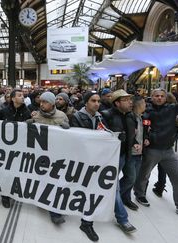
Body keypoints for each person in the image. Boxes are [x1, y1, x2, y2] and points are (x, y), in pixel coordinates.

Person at [134, 83, 178, 220]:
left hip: (168, 151)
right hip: (152, 150)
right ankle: (139, 194)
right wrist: (147, 138)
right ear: (152, 97)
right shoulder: (146, 110)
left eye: (162, 96)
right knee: (144, 175)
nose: (159, 98)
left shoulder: (172, 109)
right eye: (156, 96)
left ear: (165, 98)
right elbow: (139, 127)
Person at [70, 91, 107, 242]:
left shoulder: (101, 117)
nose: (97, 104)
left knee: (91, 191)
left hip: (95, 159)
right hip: (81, 159)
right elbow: (77, 139)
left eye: (98, 101)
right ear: (86, 102)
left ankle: (87, 223)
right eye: (93, 101)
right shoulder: (77, 117)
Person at [27, 91, 69, 225]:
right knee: (43, 181)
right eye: (41, 101)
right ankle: (43, 200)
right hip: (41, 156)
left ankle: (55, 212)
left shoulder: (62, 116)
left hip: (57, 156)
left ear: (52, 104)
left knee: (56, 183)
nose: (42, 104)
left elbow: (71, 136)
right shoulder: (36, 115)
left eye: (45, 102)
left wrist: (67, 128)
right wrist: (27, 123)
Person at [101, 89, 137, 234]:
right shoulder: (106, 115)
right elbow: (101, 136)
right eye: (126, 100)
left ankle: (111, 197)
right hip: (112, 158)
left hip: (126, 155)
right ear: (117, 103)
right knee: (113, 187)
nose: (130, 102)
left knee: (131, 178)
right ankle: (123, 219)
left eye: (130, 99)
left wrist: (133, 141)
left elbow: (131, 133)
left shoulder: (130, 115)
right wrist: (114, 138)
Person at [0, 89, 31, 208]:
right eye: (19, 95)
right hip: (5, 149)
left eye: (23, 95)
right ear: (12, 98)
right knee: (5, 172)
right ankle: (4, 195)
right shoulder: (3, 111)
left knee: (16, 172)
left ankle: (13, 191)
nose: (23, 97)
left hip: (20, 149)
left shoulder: (28, 112)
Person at [120, 96, 146, 211]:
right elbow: (130, 135)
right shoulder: (129, 117)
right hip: (130, 153)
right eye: (144, 103)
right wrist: (134, 142)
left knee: (133, 179)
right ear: (139, 105)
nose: (146, 105)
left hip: (139, 153)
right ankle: (114, 197)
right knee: (130, 178)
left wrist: (146, 138)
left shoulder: (141, 117)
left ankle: (126, 198)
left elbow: (142, 132)